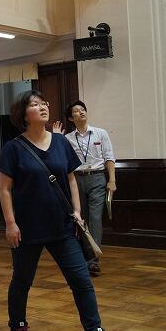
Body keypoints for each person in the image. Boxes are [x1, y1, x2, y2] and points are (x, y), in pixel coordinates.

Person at [0, 91, 117, 331]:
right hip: (27, 228)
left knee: (81, 280)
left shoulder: (62, 142)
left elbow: (71, 178)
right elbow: (5, 189)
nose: (42, 107)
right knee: (22, 280)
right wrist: (10, 223)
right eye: (35, 104)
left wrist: (77, 211)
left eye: (44, 103)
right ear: (23, 114)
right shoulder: (13, 148)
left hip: (62, 226)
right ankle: (17, 326)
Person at [52, 101, 116, 276]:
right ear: (71, 118)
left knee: (95, 218)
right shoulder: (67, 138)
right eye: (76, 111)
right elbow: (57, 157)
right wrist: (57, 137)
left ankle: (93, 260)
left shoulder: (100, 133)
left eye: (83, 110)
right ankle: (84, 257)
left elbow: (109, 157)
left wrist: (112, 180)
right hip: (76, 179)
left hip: (97, 177)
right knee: (81, 219)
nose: (81, 112)